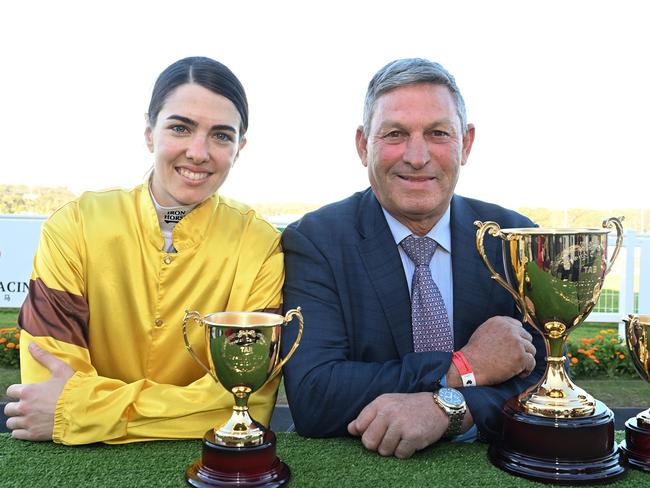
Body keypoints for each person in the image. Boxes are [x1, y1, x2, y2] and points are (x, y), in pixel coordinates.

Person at [4, 57, 284, 445]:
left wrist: (78, 410)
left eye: (221, 135)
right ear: (150, 133)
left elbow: (242, 406)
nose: (199, 152)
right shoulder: (75, 225)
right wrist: (183, 409)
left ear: (240, 148)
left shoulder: (259, 243)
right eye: (180, 128)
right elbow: (44, 382)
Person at [280, 58, 546, 459]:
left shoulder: (513, 238)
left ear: (466, 143)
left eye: (438, 133)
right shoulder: (316, 240)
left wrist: (448, 410)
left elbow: (548, 383)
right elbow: (315, 394)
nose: (417, 156)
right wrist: (462, 366)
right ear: (362, 144)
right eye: (395, 134)